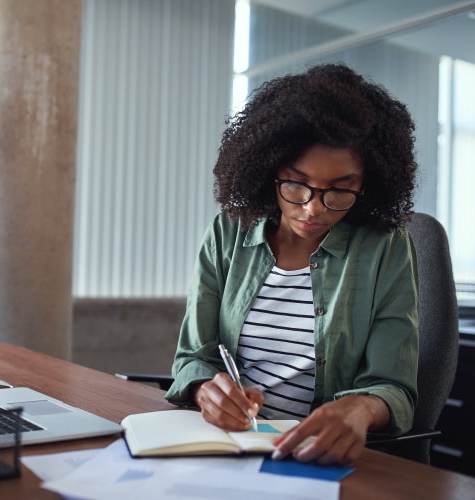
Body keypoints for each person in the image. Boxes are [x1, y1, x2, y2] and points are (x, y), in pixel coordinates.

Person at [164, 63, 419, 467]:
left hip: (320, 459)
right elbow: (194, 357)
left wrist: (362, 409)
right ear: (269, 171)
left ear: (367, 184)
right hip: (230, 447)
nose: (313, 208)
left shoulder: (385, 248)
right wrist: (204, 390)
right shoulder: (227, 233)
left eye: (340, 189)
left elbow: (393, 387)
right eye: (296, 184)